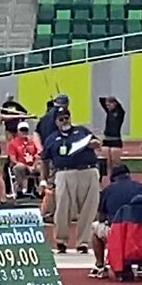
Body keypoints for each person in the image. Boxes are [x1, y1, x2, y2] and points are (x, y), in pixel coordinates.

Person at [41, 107, 102, 253]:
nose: (64, 121)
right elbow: (44, 159)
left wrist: (93, 144)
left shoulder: (81, 132)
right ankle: (61, 241)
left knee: (89, 207)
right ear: (56, 121)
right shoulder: (52, 138)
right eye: (61, 119)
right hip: (64, 173)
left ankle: (83, 242)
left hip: (87, 170)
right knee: (62, 207)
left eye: (66, 118)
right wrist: (44, 179)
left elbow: (96, 142)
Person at [90, 165, 142, 277]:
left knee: (96, 228)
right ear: (128, 175)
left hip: (118, 232)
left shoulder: (108, 190)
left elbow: (101, 217)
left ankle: (100, 265)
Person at [7, 121, 40, 198]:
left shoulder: (32, 142)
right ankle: (19, 189)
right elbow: (13, 159)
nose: (24, 132)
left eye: (25, 130)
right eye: (22, 130)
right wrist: (26, 166)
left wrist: (34, 164)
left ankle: (39, 190)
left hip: (32, 165)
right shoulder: (13, 143)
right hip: (21, 165)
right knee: (19, 167)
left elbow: (37, 154)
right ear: (18, 131)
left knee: (42, 167)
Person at [98, 96, 126, 177]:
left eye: (109, 105)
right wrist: (107, 101)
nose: (108, 107)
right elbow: (101, 100)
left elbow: (120, 108)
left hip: (116, 139)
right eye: (107, 106)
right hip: (107, 139)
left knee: (115, 161)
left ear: (115, 104)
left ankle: (117, 176)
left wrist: (113, 100)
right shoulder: (108, 112)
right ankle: (109, 177)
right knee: (107, 161)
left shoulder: (120, 113)